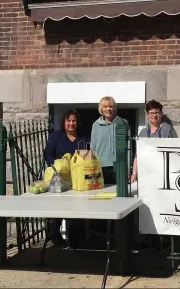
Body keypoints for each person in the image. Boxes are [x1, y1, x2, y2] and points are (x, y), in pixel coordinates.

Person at [43, 108, 88, 247]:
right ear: (64, 122)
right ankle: (55, 238)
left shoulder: (83, 137)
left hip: (77, 180)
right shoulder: (56, 136)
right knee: (58, 210)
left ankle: (75, 240)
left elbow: (86, 156)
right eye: (68, 121)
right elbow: (48, 154)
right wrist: (55, 168)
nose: (71, 123)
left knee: (77, 210)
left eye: (74, 121)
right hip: (59, 179)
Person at [130, 99, 177, 183]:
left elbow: (177, 149)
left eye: (157, 112)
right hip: (146, 173)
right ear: (147, 115)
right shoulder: (143, 132)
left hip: (164, 171)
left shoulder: (168, 129)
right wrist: (134, 173)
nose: (154, 115)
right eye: (151, 113)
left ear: (161, 114)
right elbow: (138, 155)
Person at [90, 96, 128, 185]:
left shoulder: (122, 123)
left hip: (119, 165)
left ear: (114, 108)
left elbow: (128, 145)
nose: (108, 109)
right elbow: (93, 147)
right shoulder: (96, 125)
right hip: (101, 167)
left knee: (119, 195)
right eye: (105, 106)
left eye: (111, 106)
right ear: (101, 109)